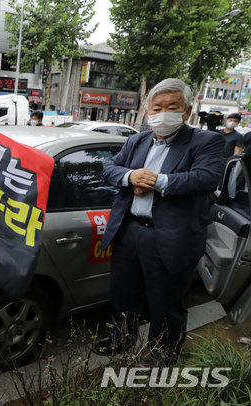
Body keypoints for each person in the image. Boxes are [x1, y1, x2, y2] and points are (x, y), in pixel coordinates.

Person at [94, 78, 224, 365]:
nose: (163, 112)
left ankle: (163, 351)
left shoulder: (205, 141)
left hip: (170, 236)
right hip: (129, 231)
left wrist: (156, 181)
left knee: (166, 301)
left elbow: (206, 178)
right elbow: (109, 168)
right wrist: (130, 177)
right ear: (148, 111)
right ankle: (122, 338)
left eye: (172, 106)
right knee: (123, 294)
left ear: (186, 111)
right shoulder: (136, 140)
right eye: (157, 107)